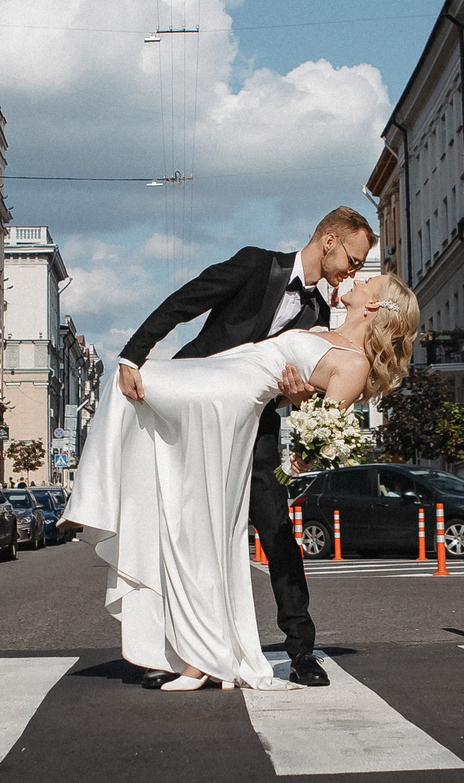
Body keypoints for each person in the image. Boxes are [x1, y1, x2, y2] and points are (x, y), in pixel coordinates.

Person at [73, 270, 417, 690]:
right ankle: (197, 653)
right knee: (195, 521)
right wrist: (293, 393)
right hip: (223, 373)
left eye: (367, 282)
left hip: (229, 396)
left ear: (374, 304)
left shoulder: (354, 363)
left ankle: (211, 655)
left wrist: (294, 438)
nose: (356, 279)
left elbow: (315, 434)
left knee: (132, 383)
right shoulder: (322, 328)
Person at [106, 206, 376, 688]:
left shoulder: (318, 314)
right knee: (183, 529)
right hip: (193, 410)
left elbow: (291, 387)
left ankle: (302, 651)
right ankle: (181, 651)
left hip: (256, 431)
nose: (352, 272)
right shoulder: (256, 265)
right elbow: (184, 302)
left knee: (277, 531)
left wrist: (297, 398)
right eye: (353, 260)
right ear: (330, 241)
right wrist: (133, 355)